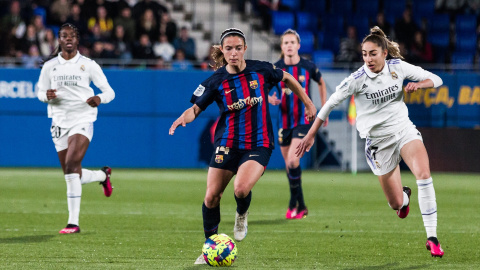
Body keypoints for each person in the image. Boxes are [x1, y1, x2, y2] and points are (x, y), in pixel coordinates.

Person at [168, 28, 316, 265]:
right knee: (211, 197)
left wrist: (308, 103)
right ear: (222, 51)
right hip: (227, 143)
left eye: (238, 48)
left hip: (259, 142)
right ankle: (210, 247)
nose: (234, 53)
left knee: (240, 189)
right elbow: (196, 109)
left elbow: (287, 78)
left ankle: (241, 214)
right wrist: (182, 118)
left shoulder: (262, 69)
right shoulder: (215, 81)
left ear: (245, 49)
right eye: (229, 49)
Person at [296, 26, 445, 258]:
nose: (368, 58)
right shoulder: (357, 79)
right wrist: (311, 133)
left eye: (372, 53)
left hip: (403, 130)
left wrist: (419, 84)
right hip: (378, 143)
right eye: (364, 54)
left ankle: (432, 238)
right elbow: (329, 104)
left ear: (385, 53)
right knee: (396, 204)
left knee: (424, 175)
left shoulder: (398, 68)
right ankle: (404, 199)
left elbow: (436, 79)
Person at [37, 23, 115, 234]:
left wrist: (99, 98)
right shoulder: (50, 66)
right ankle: (102, 176)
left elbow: (109, 92)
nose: (68, 39)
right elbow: (39, 92)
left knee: (72, 165)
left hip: (83, 118)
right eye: (64, 36)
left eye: (72, 35)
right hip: (58, 121)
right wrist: (46, 96)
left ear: (77, 39)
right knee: (72, 173)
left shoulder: (88, 65)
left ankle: (73, 223)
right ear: (59, 40)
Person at [267, 29, 328, 219]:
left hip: (304, 121)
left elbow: (321, 82)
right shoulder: (276, 67)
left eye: (292, 42)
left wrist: (323, 106)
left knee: (293, 161)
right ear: (282, 46)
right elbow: (265, 88)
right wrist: (270, 98)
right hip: (284, 122)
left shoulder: (308, 66)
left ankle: (297, 204)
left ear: (298, 45)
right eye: (286, 43)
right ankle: (298, 204)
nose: (289, 45)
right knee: (289, 166)